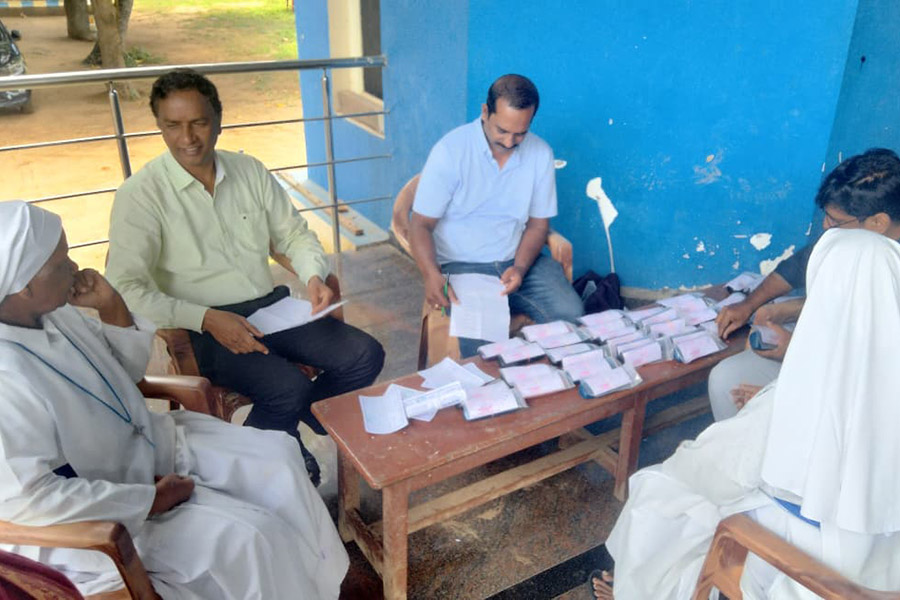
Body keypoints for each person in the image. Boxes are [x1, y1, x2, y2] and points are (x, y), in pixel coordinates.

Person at [0, 201, 349, 599]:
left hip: (148, 443)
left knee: (281, 458)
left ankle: (320, 586)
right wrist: (150, 498)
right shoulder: (6, 376)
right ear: (24, 284)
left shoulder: (54, 315)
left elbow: (126, 375)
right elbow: (30, 499)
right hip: (99, 513)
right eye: (61, 263)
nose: (74, 267)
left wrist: (112, 308)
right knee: (250, 539)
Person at [106, 69, 385, 484]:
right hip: (202, 324)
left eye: (199, 122)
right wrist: (205, 318)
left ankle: (282, 436)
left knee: (365, 355)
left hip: (268, 309)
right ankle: (270, 455)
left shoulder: (249, 171)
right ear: (159, 126)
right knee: (285, 386)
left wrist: (312, 274)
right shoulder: (141, 196)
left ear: (218, 119)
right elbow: (126, 288)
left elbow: (292, 233)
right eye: (172, 125)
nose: (188, 138)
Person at [591, 228, 900, 599]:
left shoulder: (815, 384)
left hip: (803, 570)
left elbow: (760, 467)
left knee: (662, 489)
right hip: (881, 569)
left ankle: (639, 591)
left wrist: (770, 405)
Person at [708, 148, 900, 420]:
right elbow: (799, 266)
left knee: (757, 413)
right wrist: (750, 305)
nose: (825, 225)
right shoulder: (849, 239)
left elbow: (878, 373)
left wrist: (791, 383)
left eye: (835, 220)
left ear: (878, 222)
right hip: (821, 362)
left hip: (864, 400)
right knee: (725, 379)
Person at [410, 74, 583, 357]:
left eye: (520, 133)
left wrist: (521, 267)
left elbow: (538, 225)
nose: (510, 141)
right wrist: (431, 274)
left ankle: (546, 391)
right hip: (462, 266)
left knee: (570, 316)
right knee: (484, 353)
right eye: (502, 130)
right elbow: (420, 225)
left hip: (515, 261)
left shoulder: (540, 154)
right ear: (485, 111)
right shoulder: (451, 151)